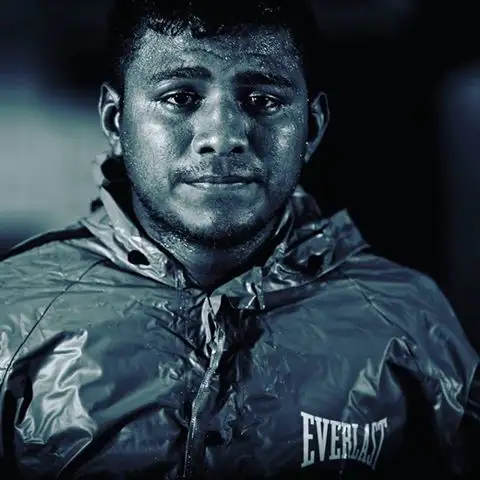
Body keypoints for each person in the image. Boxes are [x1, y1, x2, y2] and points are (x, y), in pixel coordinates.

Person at [0, 0, 478, 478]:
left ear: (311, 127)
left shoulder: (409, 322)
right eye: (180, 97)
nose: (223, 135)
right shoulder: (13, 319)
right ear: (115, 121)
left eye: (263, 100)